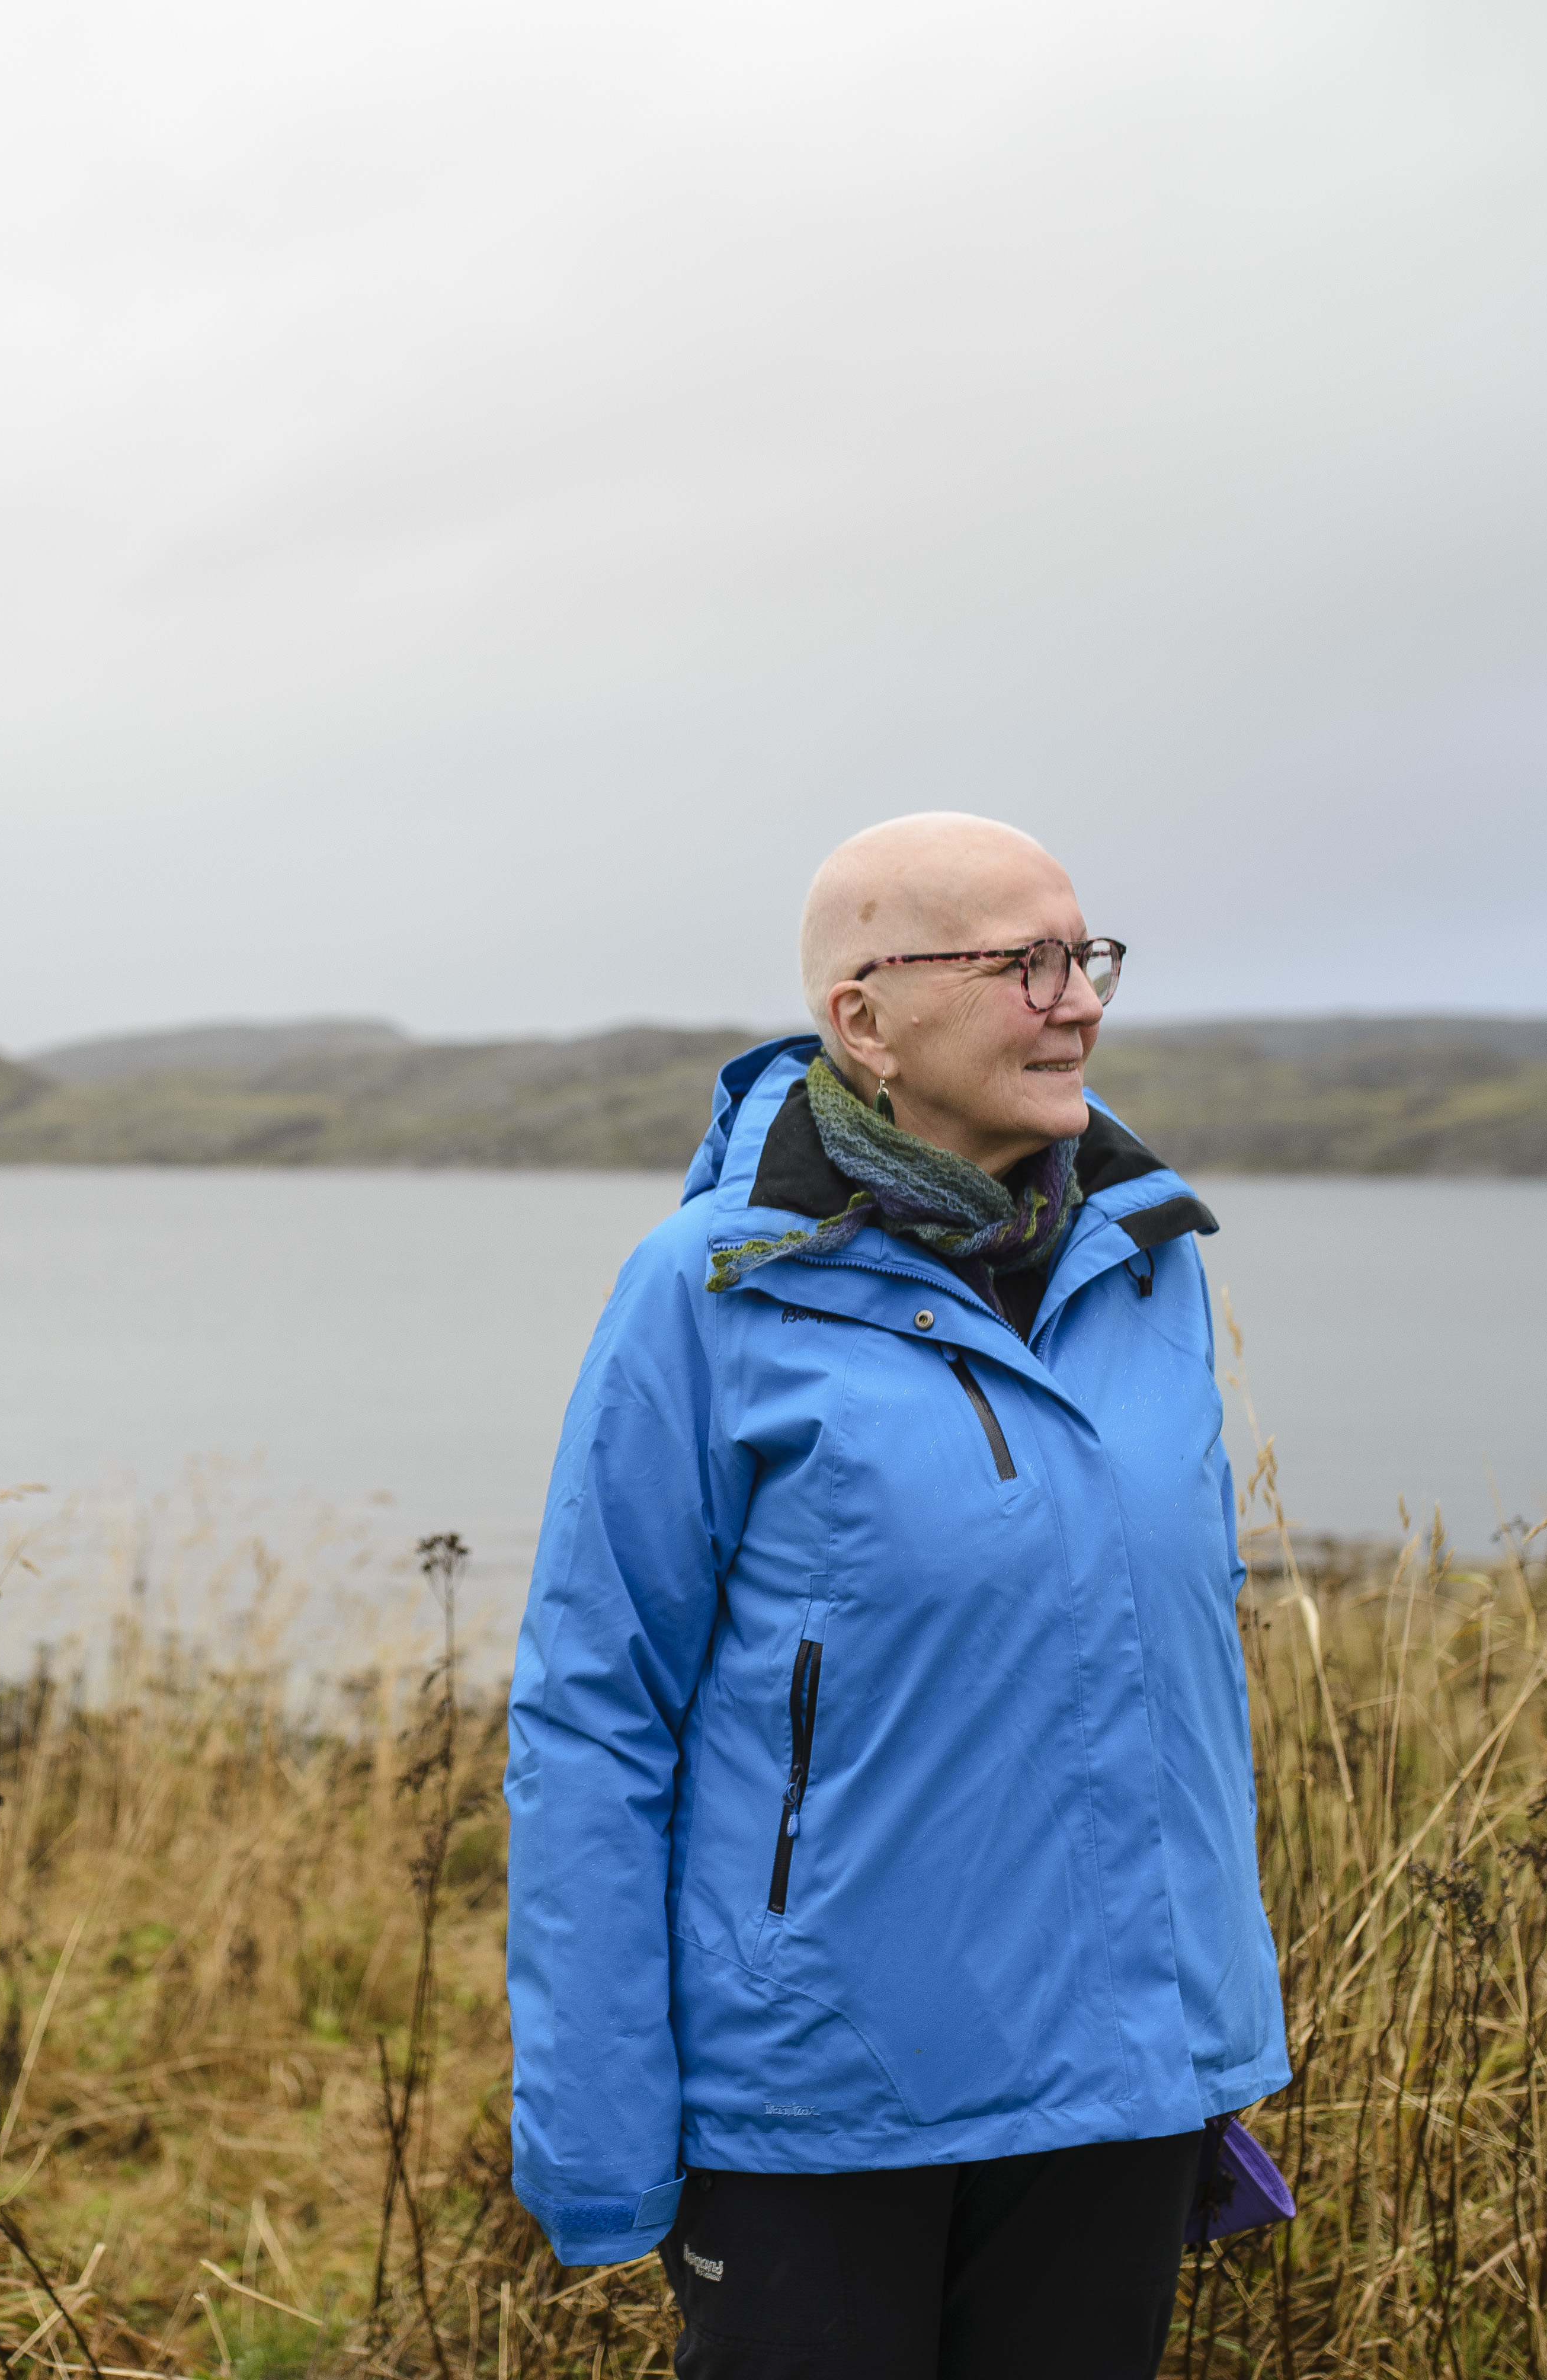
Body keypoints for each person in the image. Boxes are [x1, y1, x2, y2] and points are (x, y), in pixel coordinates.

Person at [502, 813, 1286, 2378]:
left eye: (1089, 958)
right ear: (864, 1017)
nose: (1078, 1001)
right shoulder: (711, 1290)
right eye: (1023, 965)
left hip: (1117, 2086)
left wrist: (1205, 2027)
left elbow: (1165, 1660)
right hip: (820, 2105)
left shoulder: (1146, 1257)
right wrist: (598, 2128)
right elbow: (594, 1713)